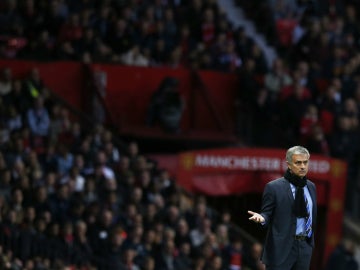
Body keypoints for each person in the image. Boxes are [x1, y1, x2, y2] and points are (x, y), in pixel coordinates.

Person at [248, 145, 317, 270]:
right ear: (289, 164)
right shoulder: (274, 187)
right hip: (281, 248)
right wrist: (262, 218)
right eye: (298, 163)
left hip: (304, 247)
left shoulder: (311, 187)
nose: (302, 166)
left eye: (305, 162)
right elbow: (267, 214)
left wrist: (309, 244)